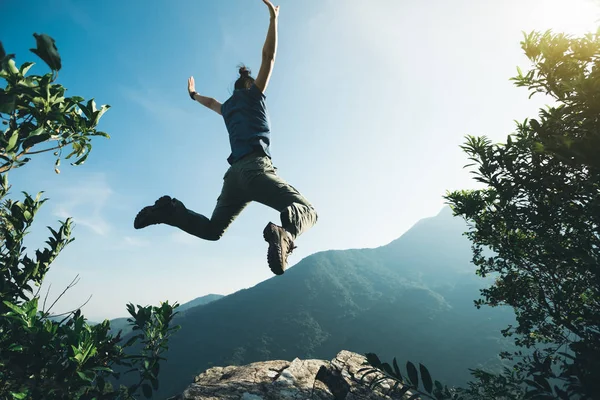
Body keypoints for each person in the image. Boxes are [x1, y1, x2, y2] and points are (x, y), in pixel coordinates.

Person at [133, 0, 317, 276]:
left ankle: (169, 212)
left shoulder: (228, 108)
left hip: (234, 178)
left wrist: (193, 95)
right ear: (251, 86)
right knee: (307, 210)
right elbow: (269, 58)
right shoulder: (255, 96)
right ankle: (285, 234)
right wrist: (273, 18)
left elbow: (211, 103)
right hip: (256, 169)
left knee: (212, 230)